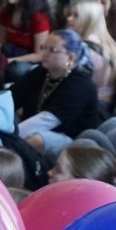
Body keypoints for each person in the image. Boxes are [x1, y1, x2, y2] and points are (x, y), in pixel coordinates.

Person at [11, 29, 101, 161]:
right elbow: (11, 97)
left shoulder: (80, 84)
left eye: (52, 50)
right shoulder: (41, 72)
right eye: (43, 48)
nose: (44, 54)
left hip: (70, 139)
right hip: (37, 126)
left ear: (70, 57)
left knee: (37, 140)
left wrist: (9, 137)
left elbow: (48, 120)